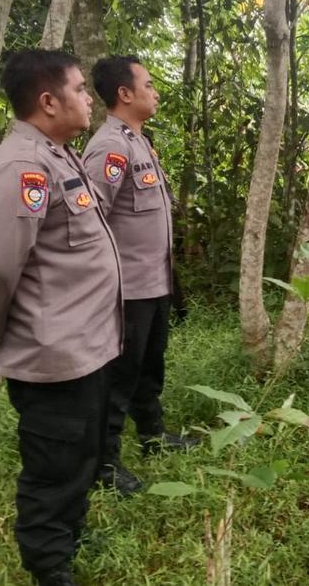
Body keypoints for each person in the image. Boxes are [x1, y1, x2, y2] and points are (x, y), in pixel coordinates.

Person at [0, 49, 122, 586]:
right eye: (80, 89)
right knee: (54, 467)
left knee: (80, 456)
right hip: (54, 353)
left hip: (87, 346)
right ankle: (48, 566)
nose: (87, 98)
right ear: (48, 100)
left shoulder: (57, 154)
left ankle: (66, 539)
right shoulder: (22, 166)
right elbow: (2, 268)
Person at [82, 56, 197, 496]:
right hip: (126, 289)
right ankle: (105, 463)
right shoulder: (110, 147)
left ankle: (153, 435)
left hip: (154, 284)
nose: (155, 91)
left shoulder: (140, 143)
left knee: (150, 368)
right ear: (124, 94)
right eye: (147, 85)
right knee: (119, 377)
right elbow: (93, 221)